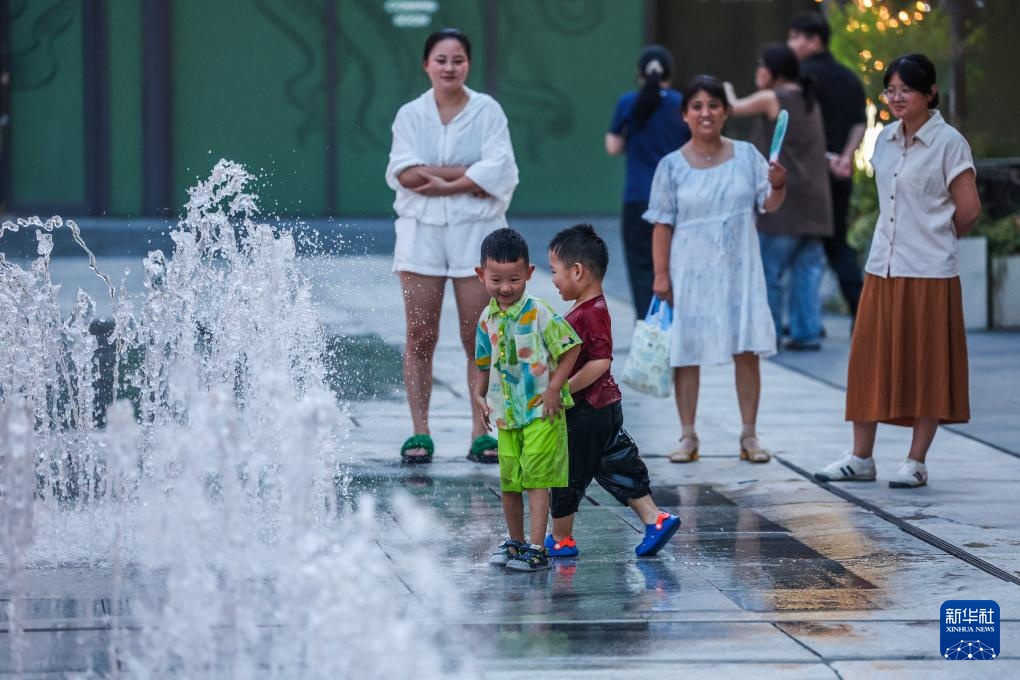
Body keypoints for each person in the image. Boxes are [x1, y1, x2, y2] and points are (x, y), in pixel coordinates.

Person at [815, 54, 980, 489]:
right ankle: (861, 457)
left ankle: (915, 461)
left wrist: (937, 238)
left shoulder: (949, 142)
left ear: (930, 93)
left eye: (907, 89)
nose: (897, 97)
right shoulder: (884, 139)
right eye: (891, 89)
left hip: (929, 271)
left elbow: (968, 210)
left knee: (927, 365)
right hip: (882, 268)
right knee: (868, 360)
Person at [386, 28, 519, 465]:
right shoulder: (410, 114)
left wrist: (438, 179)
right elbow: (404, 173)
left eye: (457, 59)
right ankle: (419, 431)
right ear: (426, 64)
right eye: (441, 59)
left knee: (476, 335)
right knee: (420, 334)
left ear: (468, 64)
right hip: (421, 232)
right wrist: (466, 177)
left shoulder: (487, 111)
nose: (449, 67)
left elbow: (498, 170)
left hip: (474, 232)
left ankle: (481, 431)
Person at [645, 76, 787, 464]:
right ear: (685, 114)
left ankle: (749, 435)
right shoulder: (671, 166)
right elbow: (662, 224)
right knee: (686, 352)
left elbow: (768, 204)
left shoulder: (747, 156)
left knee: (746, 349)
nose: (705, 113)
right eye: (697, 106)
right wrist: (661, 275)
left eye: (713, 105)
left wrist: (778, 186)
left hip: (739, 268)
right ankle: (688, 435)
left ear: (726, 111)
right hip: (688, 269)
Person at [545, 224, 681, 558]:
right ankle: (654, 518)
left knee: (566, 471)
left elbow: (601, 362)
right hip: (603, 406)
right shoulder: (587, 310)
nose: (553, 280)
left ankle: (561, 539)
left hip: (586, 409)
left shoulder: (591, 314)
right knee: (613, 462)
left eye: (555, 271)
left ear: (577, 271)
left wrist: (562, 391)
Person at [475, 228, 582, 572]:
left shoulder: (540, 312)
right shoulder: (486, 318)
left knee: (536, 479)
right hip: (506, 416)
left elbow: (571, 347)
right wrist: (479, 394)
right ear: (481, 275)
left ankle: (537, 547)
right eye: (497, 279)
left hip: (541, 414)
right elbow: (482, 360)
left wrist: (554, 388)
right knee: (510, 480)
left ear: (529, 274)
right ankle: (516, 541)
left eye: (514, 279)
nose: (506, 287)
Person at [725, 44, 833, 351]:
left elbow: (733, 106)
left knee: (769, 271)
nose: (758, 71)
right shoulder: (807, 98)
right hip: (814, 203)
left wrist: (726, 89)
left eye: (762, 65)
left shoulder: (774, 97)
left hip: (785, 204)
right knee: (806, 271)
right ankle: (807, 332)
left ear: (777, 71)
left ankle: (767, 333)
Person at [788, 11, 866, 329]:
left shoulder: (799, 79)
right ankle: (862, 313)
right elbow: (861, 123)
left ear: (814, 40)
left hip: (807, 177)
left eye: (795, 37)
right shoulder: (849, 77)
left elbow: (798, 133)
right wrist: (845, 158)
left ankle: (805, 324)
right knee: (837, 244)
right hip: (840, 173)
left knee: (798, 250)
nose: (791, 43)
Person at [606, 45, 691, 317]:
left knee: (642, 268)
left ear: (638, 74)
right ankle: (676, 327)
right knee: (674, 266)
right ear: (671, 72)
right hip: (677, 199)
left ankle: (649, 329)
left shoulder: (628, 102)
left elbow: (613, 146)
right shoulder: (682, 104)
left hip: (638, 198)